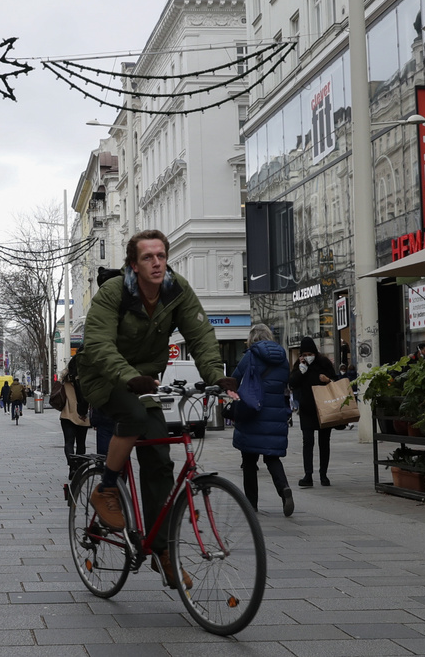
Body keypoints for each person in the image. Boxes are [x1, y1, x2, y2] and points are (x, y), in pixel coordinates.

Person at [78, 230, 235, 591]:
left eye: (161, 256)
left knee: (160, 459)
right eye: (148, 257)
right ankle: (105, 489)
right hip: (103, 376)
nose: (157, 262)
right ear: (134, 264)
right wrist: (128, 376)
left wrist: (217, 376)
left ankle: (162, 551)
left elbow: (200, 334)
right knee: (132, 417)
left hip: (143, 381)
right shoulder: (114, 293)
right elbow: (98, 343)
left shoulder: (175, 289)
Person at [232, 324, 294, 516]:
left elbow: (235, 379)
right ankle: (284, 489)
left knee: (249, 461)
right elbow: (285, 383)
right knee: (272, 457)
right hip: (275, 414)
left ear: (252, 338)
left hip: (253, 412)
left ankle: (251, 505)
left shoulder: (250, 356)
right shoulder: (283, 359)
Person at [290, 336, 335, 487]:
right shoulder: (300, 366)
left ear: (315, 352)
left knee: (324, 442)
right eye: (304, 354)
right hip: (307, 409)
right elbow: (292, 383)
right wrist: (301, 371)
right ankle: (308, 474)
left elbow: (336, 381)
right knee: (307, 442)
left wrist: (327, 380)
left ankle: (324, 475)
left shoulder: (324, 363)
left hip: (325, 408)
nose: (307, 356)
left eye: (310, 353)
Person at [57, 357, 90, 469]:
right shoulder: (86, 378)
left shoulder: (65, 377)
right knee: (81, 443)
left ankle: (72, 467)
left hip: (67, 413)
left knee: (69, 442)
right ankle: (78, 469)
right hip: (83, 414)